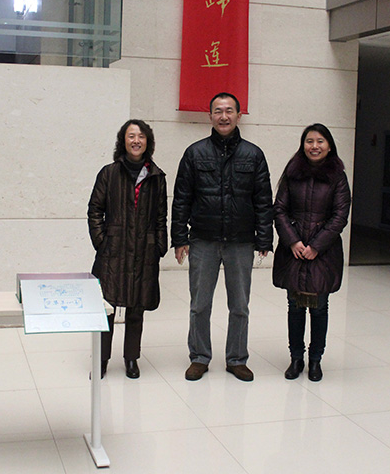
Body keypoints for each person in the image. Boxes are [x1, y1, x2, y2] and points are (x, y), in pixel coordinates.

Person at [171, 92, 273, 382]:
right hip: (203, 239)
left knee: (239, 306)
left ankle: (237, 359)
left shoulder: (254, 154)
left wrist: (264, 238)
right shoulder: (194, 153)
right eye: (218, 111)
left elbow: (263, 200)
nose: (224, 116)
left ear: (239, 115)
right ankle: (199, 357)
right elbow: (181, 199)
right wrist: (179, 238)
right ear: (210, 116)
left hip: (241, 241)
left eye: (229, 111)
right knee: (199, 304)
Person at [87, 119, 168, 379]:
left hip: (144, 251)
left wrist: (159, 246)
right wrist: (102, 241)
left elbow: (161, 216)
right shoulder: (109, 173)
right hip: (113, 251)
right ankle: (101, 359)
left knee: (137, 308)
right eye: (131, 136)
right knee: (106, 308)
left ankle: (131, 358)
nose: (136, 141)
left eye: (141, 136)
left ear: (148, 142)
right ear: (123, 141)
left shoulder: (157, 177)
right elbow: (95, 210)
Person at [272, 123, 351, 382]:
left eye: (320, 141)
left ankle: (316, 360)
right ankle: (296, 358)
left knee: (319, 308)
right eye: (309, 141)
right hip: (293, 250)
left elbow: (340, 216)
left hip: (323, 253)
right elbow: (279, 209)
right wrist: (293, 241)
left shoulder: (338, 176)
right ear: (302, 144)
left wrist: (317, 245)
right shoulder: (292, 172)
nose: (314, 146)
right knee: (295, 306)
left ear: (329, 146)